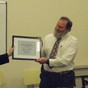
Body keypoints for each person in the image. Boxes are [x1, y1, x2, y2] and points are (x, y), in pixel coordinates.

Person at [36, 17, 78, 88]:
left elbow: (65, 61)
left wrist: (47, 61)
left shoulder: (73, 41)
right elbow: (42, 54)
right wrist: (35, 51)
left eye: (61, 27)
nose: (57, 28)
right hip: (47, 77)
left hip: (64, 78)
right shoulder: (47, 38)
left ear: (68, 30)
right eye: (57, 25)